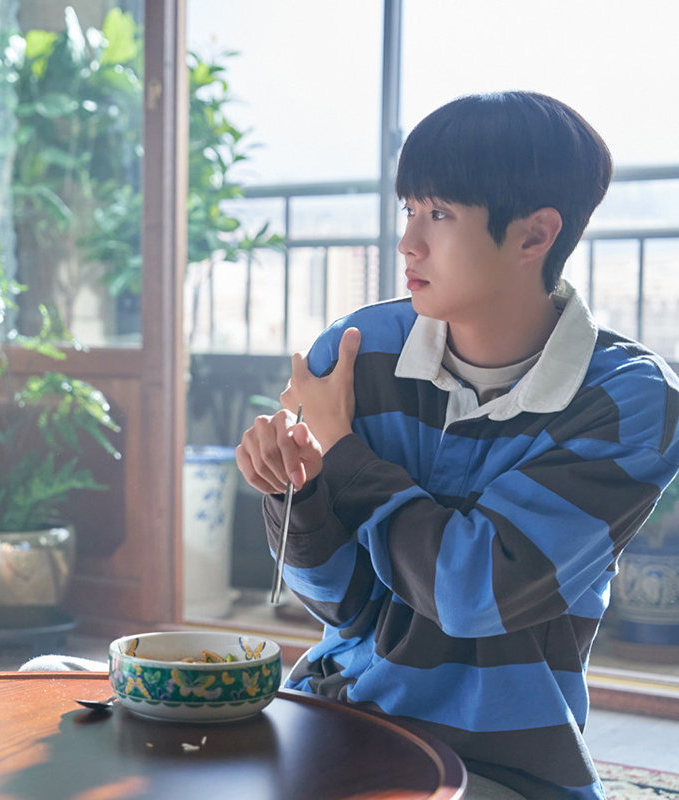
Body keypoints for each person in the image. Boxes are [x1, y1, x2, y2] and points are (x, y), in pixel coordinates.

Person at [236, 91, 679, 800]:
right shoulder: (358, 351)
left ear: (535, 236)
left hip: (505, 760)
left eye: (439, 214)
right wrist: (295, 489)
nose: (408, 244)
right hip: (340, 719)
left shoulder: (628, 400)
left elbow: (475, 593)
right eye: (409, 209)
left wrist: (343, 451)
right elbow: (343, 606)